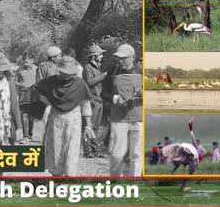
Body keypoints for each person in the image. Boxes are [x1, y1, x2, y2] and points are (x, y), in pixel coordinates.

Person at [33, 56, 95, 176]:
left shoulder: (79, 84)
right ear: (59, 71)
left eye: (69, 73)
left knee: (71, 150)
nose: (66, 76)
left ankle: (68, 178)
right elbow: (37, 91)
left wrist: (88, 126)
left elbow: (85, 105)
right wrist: (43, 101)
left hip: (74, 120)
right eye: (63, 73)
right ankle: (56, 177)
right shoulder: (50, 82)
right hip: (55, 119)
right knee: (55, 149)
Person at [101, 44, 142, 176]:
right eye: (118, 58)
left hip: (139, 118)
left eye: (124, 58)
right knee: (117, 153)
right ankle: (115, 182)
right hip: (118, 118)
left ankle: (134, 183)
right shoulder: (113, 70)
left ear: (133, 57)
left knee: (136, 153)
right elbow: (103, 93)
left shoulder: (142, 70)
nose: (120, 61)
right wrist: (114, 98)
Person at [82, 44, 107, 158]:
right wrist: (103, 76)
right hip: (92, 98)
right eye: (100, 54)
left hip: (98, 98)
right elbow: (89, 82)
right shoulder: (87, 67)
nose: (102, 56)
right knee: (89, 125)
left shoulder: (96, 66)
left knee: (96, 126)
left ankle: (95, 150)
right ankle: (87, 151)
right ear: (94, 56)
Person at [15, 52, 37, 144]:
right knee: (23, 115)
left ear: (32, 60)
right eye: (24, 62)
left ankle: (30, 134)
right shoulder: (19, 69)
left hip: (34, 94)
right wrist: (21, 85)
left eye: (27, 62)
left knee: (31, 116)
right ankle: (25, 136)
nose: (25, 64)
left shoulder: (37, 69)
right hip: (23, 94)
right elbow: (15, 81)